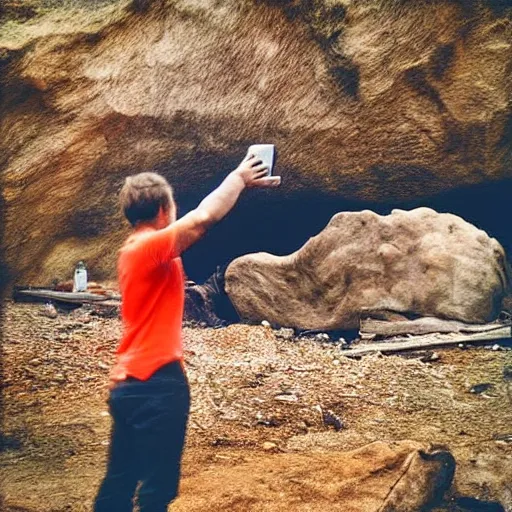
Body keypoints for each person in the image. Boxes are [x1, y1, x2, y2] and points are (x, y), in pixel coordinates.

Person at [93, 154, 280, 512]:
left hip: (128, 382)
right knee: (156, 491)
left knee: (120, 482)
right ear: (165, 209)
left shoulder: (136, 250)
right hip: (157, 383)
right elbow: (204, 218)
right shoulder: (149, 248)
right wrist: (239, 177)